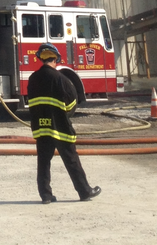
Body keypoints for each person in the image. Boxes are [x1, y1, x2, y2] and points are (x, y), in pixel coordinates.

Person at [27, 43, 101, 204]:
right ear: (55, 59)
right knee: (71, 160)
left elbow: (31, 103)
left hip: (41, 128)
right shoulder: (61, 79)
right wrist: (63, 114)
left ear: (41, 59)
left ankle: (45, 195)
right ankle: (84, 191)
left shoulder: (33, 78)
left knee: (43, 162)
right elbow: (71, 104)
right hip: (60, 128)